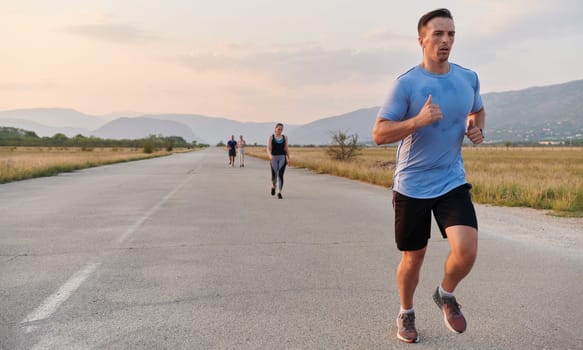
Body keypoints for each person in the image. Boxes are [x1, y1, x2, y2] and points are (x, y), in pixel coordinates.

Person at [372, 8, 485, 343]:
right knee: (413, 257)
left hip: (451, 180)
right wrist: (416, 122)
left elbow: (477, 111)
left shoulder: (468, 78)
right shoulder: (406, 84)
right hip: (412, 185)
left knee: (466, 250)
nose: (445, 40)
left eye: (450, 34)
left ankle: (445, 294)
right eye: (438, 34)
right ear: (421, 40)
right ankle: (406, 312)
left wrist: (475, 129)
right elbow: (379, 133)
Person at [266, 123, 290, 199]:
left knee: (280, 174)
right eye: (279, 129)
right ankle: (273, 186)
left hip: (282, 157)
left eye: (281, 129)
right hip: (274, 157)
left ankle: (279, 192)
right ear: (275, 129)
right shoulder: (271, 137)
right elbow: (268, 148)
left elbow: (286, 148)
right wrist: (270, 155)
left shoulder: (285, 137)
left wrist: (289, 158)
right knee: (274, 175)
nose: (280, 130)